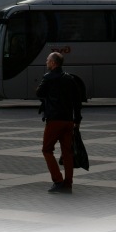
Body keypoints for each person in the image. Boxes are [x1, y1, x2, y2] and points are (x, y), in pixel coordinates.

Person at [35, 51, 82, 193]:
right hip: (68, 120)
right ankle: (68, 184)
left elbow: (39, 93)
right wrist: (77, 119)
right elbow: (77, 100)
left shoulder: (48, 77)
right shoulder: (70, 78)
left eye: (48, 60)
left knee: (47, 150)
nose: (46, 62)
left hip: (54, 120)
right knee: (67, 152)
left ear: (53, 63)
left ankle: (58, 180)